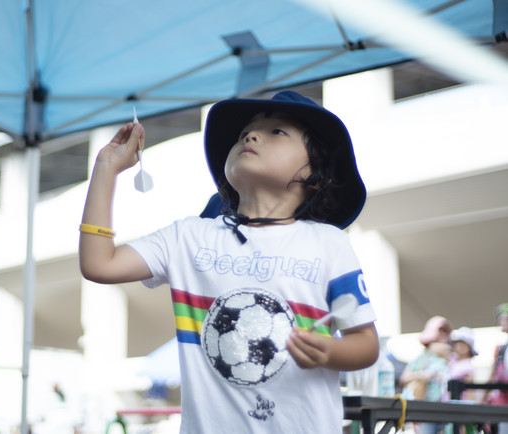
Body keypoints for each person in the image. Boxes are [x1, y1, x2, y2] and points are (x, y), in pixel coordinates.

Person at [79, 91, 379, 433]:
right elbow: (99, 264)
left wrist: (331, 352)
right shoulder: (187, 237)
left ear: (316, 175)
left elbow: (365, 343)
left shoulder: (329, 243)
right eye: (244, 133)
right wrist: (105, 168)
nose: (251, 136)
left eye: (277, 131)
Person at [399, 316, 453, 434]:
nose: (442, 336)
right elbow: (404, 377)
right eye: (440, 331)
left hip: (446, 408)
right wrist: (422, 375)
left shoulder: (452, 357)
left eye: (445, 332)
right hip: (426, 407)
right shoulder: (421, 358)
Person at [483, 303, 508, 408]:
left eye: (505, 318)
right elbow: (492, 374)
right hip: (502, 398)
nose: (502, 322)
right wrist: (483, 398)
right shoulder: (501, 349)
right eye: (501, 319)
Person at [447, 327, 477, 401]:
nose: (458, 347)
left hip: (457, 404)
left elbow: (470, 392)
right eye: (456, 344)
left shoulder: (468, 367)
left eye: (462, 345)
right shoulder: (451, 361)